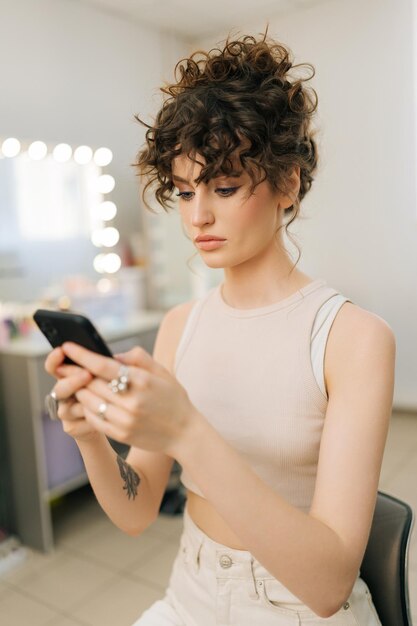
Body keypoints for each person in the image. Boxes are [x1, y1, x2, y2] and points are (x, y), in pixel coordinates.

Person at [44, 32, 395, 626]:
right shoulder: (181, 326)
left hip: (293, 605)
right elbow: (137, 512)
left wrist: (186, 430)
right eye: (183, 192)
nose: (197, 216)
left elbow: (328, 584)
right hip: (191, 588)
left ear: (287, 183)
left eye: (225, 188)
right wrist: (89, 436)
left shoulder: (351, 338)